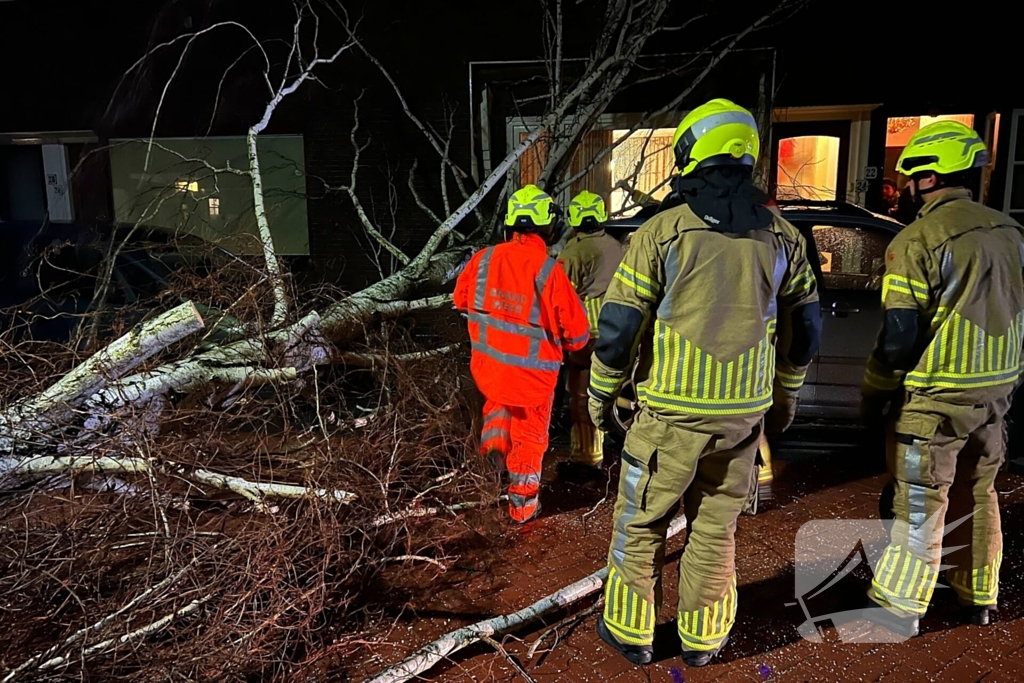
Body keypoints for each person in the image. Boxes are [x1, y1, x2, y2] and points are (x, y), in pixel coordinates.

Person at [588, 98, 822, 666]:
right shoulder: (784, 237)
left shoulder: (662, 233)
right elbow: (807, 324)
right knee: (716, 533)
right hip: (742, 421)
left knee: (641, 526)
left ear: (691, 154)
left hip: (669, 420)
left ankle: (631, 633)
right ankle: (704, 640)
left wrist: (601, 396)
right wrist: (786, 392)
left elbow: (618, 328)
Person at [861, 120, 1024, 636]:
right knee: (980, 492)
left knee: (920, 502)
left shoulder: (918, 240)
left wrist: (877, 390)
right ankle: (978, 595)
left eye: (909, 178)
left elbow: (899, 333)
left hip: (936, 400)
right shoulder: (1011, 233)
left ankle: (902, 605)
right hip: (997, 393)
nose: (906, 188)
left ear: (929, 179)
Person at [453, 184, 591, 524]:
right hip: (532, 382)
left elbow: (460, 300)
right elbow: (577, 336)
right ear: (549, 227)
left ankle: (493, 443)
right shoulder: (549, 271)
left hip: (490, 370)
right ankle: (523, 505)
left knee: (499, 405)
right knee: (529, 441)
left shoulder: (483, 259)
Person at [555, 190, 626, 478]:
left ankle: (586, 459)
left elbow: (559, 296)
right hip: (619, 327)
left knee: (580, 396)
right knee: (611, 392)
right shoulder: (616, 246)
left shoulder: (573, 252)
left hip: (586, 333)